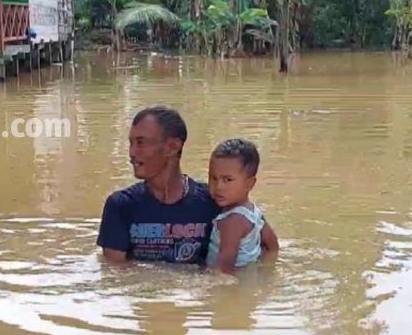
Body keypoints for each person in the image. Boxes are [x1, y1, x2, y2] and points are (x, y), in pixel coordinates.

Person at [96, 106, 221, 264]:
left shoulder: (214, 201)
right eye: (131, 143)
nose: (132, 152)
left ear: (172, 147)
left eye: (141, 143)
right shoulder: (121, 205)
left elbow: (253, 249)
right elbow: (115, 275)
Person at [205, 138, 279, 274]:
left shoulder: (232, 221)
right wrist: (265, 272)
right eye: (213, 178)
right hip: (248, 281)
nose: (218, 187)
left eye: (228, 180)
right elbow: (272, 246)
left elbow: (223, 268)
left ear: (249, 184)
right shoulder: (253, 212)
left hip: (233, 285)